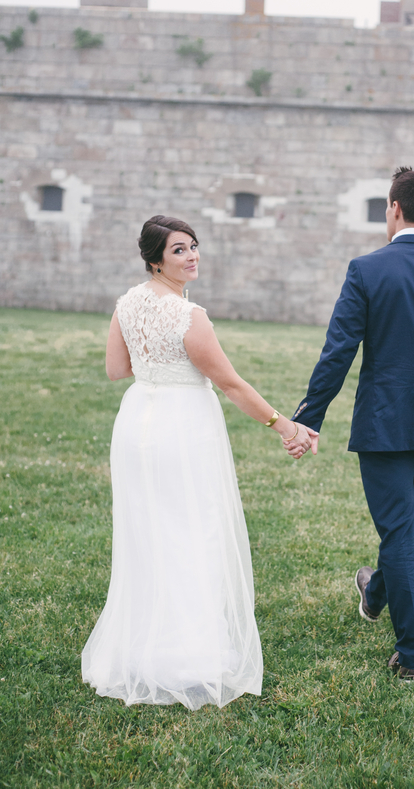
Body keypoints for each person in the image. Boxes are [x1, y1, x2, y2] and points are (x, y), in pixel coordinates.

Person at [82, 215, 317, 710]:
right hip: (181, 427)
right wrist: (286, 427)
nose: (191, 256)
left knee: (151, 533)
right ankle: (187, 656)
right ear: (155, 260)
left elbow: (116, 369)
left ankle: (144, 648)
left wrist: (155, 362)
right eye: (178, 250)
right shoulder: (191, 317)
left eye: (193, 246)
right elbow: (230, 384)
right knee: (192, 530)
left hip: (137, 422)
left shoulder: (127, 304)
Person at [291, 168, 414, 683]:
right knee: (403, 526)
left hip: (385, 419)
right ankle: (375, 591)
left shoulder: (366, 269)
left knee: (400, 530)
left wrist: (308, 417)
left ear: (395, 209)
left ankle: (413, 656)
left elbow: (338, 352)